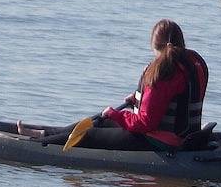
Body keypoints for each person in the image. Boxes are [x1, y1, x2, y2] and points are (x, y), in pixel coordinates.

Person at [56, 19, 208, 151]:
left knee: (89, 134)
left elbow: (144, 124)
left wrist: (116, 114)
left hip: (162, 141)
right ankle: (46, 134)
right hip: (188, 135)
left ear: (154, 46)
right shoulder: (195, 61)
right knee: (101, 122)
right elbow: (176, 98)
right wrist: (138, 99)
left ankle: (40, 145)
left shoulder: (164, 71)